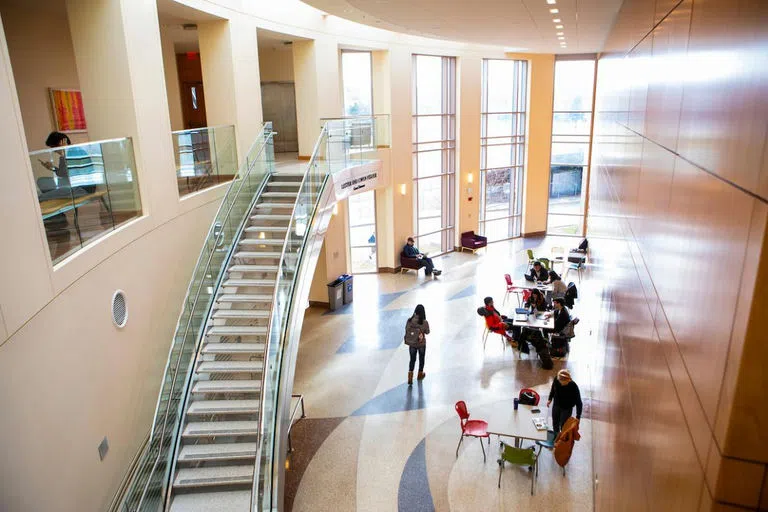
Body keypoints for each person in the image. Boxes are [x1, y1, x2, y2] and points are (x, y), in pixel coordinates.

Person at [547, 369, 583, 435]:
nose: (561, 383)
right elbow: (553, 389)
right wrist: (550, 399)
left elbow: (579, 403)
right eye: (560, 381)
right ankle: (556, 437)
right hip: (556, 404)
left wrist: (578, 417)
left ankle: (562, 440)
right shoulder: (557, 379)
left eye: (563, 382)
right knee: (555, 422)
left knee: (564, 425)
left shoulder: (573, 386)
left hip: (567, 408)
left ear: (568, 380)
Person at [404, 304, 430, 385]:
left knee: (412, 359)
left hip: (412, 344)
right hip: (421, 343)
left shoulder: (409, 320)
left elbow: (407, 329)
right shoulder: (424, 322)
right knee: (421, 359)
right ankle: (420, 374)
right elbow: (428, 332)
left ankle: (410, 377)